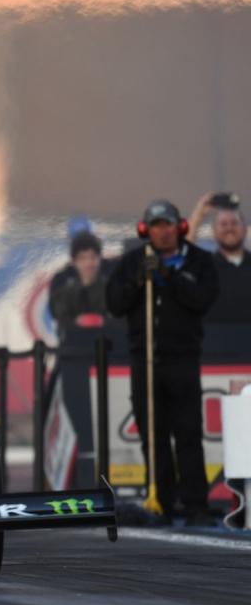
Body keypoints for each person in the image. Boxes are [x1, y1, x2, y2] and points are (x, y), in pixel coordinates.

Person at [106, 200, 219, 525]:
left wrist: (170, 276)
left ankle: (196, 505)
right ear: (147, 230)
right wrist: (138, 281)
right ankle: (161, 501)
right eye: (156, 226)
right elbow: (114, 304)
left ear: (179, 227)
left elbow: (203, 299)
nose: (162, 232)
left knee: (188, 433)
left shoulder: (199, 261)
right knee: (152, 435)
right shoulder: (132, 262)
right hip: (146, 361)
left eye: (168, 225)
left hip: (182, 360)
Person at [187, 192, 251, 324]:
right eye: (223, 224)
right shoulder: (205, 266)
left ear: (245, 229)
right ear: (214, 232)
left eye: (234, 223)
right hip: (215, 342)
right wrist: (199, 213)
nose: (229, 228)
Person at [50, 232, 111, 340]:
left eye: (92, 257)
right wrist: (76, 321)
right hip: (72, 348)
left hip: (107, 347)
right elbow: (57, 311)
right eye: (82, 258)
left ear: (99, 258)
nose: (88, 263)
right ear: (74, 261)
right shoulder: (63, 287)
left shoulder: (110, 287)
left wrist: (104, 321)